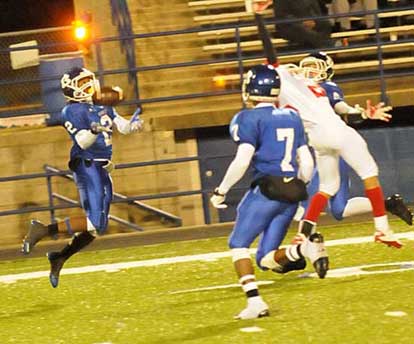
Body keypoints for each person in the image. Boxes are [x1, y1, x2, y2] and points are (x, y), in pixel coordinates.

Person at [271, 58, 402, 278]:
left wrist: (361, 114)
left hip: (317, 140)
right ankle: (382, 229)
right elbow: (343, 109)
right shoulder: (313, 88)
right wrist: (363, 114)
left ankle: (303, 236)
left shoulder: (283, 100)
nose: (308, 73)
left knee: (327, 187)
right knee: (370, 174)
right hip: (337, 133)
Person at [210, 64, 317, 320]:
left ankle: (255, 302)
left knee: (238, 245)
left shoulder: (247, 118)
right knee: (267, 259)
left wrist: (221, 190)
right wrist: (298, 187)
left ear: (251, 88)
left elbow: (242, 160)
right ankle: (301, 251)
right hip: (292, 191)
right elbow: (308, 162)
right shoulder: (292, 116)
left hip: (267, 191)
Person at [21, 67, 143, 288]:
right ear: (73, 88)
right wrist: (94, 130)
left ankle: (60, 256)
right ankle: (42, 231)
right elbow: (82, 142)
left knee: (97, 227)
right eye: (84, 82)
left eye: (89, 81)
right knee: (95, 222)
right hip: (86, 165)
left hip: (101, 167)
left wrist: (133, 126)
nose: (90, 85)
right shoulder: (72, 111)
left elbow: (121, 127)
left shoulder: (101, 107)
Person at [295, 51, 413, 226]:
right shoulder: (298, 92)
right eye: (307, 67)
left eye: (314, 68)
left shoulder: (327, 88)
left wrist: (360, 112)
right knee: (339, 210)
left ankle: (305, 246)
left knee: (305, 203)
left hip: (328, 150)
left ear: (326, 71)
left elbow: (341, 107)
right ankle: (388, 204)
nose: (310, 72)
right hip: (312, 148)